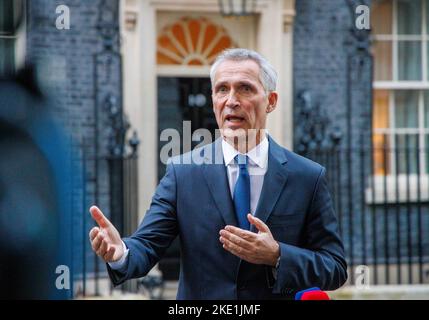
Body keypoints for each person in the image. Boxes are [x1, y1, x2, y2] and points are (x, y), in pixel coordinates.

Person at [88, 48, 347, 299]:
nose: (232, 100)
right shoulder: (183, 174)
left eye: (245, 88)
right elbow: (147, 246)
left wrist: (277, 255)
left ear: (271, 101)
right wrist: (120, 252)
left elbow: (334, 268)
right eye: (222, 89)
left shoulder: (307, 177)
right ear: (213, 100)